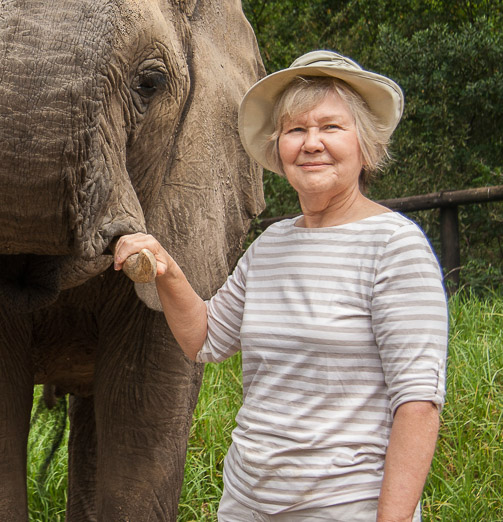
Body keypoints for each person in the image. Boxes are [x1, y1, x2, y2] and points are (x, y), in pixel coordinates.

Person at [114, 50, 448, 522]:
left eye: (331, 127)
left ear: (366, 146)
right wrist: (167, 269)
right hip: (247, 506)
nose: (312, 143)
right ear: (278, 150)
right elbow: (205, 338)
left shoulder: (394, 246)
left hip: (344, 509)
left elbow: (417, 405)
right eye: (296, 130)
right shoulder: (272, 244)